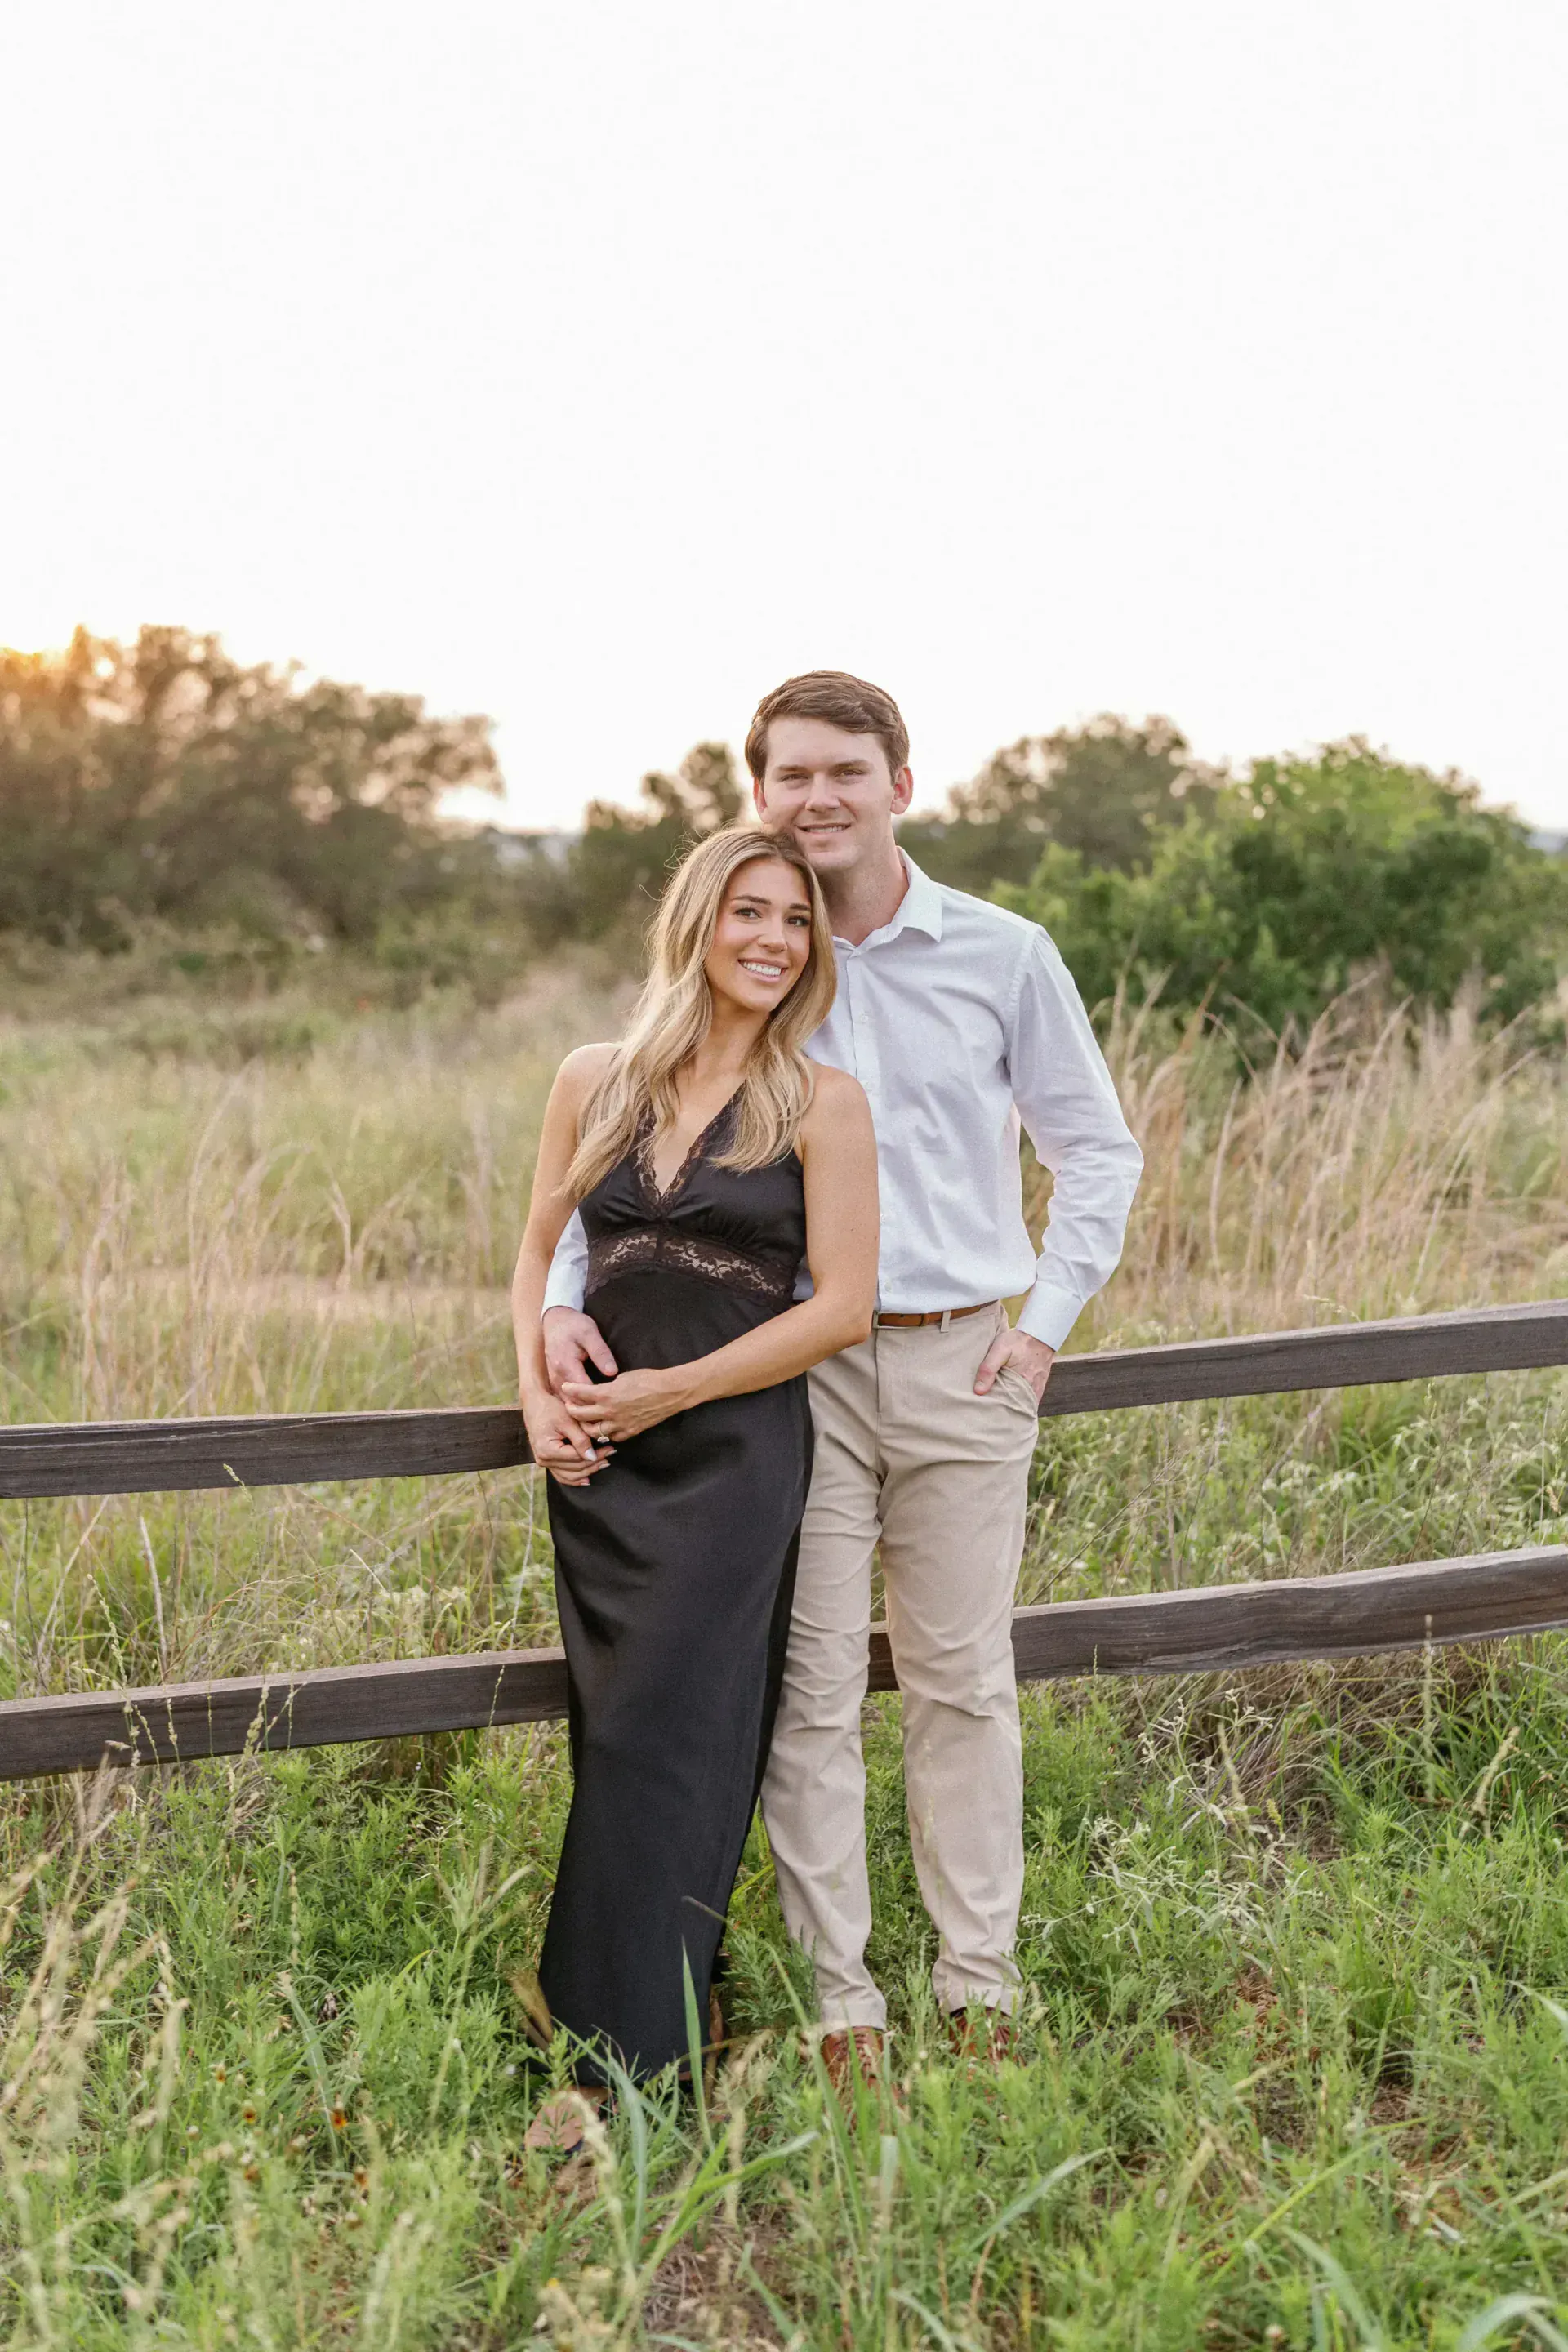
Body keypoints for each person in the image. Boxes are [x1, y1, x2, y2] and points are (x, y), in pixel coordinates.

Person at [543, 672, 1143, 2088]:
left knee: (961, 1683)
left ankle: (978, 1987)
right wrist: (564, 1308)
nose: (819, 798)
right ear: (760, 797)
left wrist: (1045, 1320)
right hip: (783, 1384)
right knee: (806, 1693)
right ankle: (841, 2007)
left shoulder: (1001, 953)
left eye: (846, 773)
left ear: (900, 787)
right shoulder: (754, 963)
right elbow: (623, 1180)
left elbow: (1095, 1149)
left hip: (959, 1360)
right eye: (792, 776)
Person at [511, 822, 877, 2145]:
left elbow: (843, 1308)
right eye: (753, 913)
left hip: (729, 1456)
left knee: (682, 1731)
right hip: (601, 1460)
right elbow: (541, 1250)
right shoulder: (593, 1077)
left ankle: (622, 2077)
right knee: (615, 1735)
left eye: (797, 922)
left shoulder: (821, 1101)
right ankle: (641, 2022)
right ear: (698, 922)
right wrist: (540, 1379)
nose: (776, 940)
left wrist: (675, 1389)